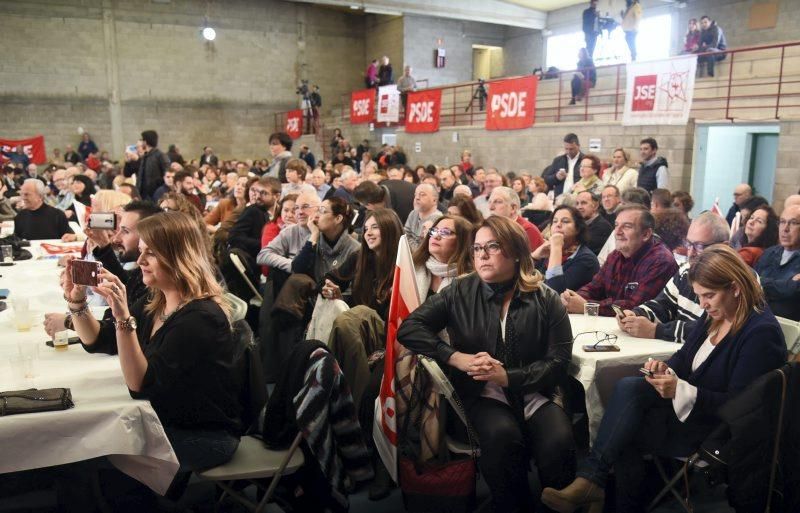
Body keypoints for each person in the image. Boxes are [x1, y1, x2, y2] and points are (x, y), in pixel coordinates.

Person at [542, 245, 787, 513]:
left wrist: (681, 391)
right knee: (628, 393)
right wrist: (664, 368)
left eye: (709, 296)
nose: (702, 304)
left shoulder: (761, 333)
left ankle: (596, 486)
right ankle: (596, 485)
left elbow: (740, 408)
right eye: (699, 296)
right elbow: (683, 358)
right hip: (692, 412)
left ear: (736, 288)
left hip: (715, 430)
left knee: (624, 426)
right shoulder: (716, 314)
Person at [398, 216, 576, 513]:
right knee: (501, 436)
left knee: (559, 441)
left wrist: (509, 376)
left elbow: (559, 362)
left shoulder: (547, 299)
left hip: (537, 391)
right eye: (477, 247)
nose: (481, 254)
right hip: (483, 393)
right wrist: (455, 357)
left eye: (493, 246)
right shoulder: (459, 291)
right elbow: (409, 328)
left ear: (517, 251)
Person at [65, 211, 245, 475]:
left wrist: (122, 317)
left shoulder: (201, 318)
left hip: (203, 436)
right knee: (84, 442)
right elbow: (98, 340)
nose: (140, 261)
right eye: (141, 251)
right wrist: (76, 302)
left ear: (178, 256)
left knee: (88, 454)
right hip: (161, 420)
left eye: (150, 253)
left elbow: (140, 384)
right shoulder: (158, 302)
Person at [621, 212, 730, 343]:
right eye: (688, 244)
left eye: (699, 246)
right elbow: (663, 304)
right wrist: (636, 315)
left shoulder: (737, 280)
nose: (691, 252)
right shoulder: (686, 270)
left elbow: (714, 329)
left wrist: (656, 330)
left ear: (725, 246)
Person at [561, 205, 678, 316]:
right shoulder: (616, 255)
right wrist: (572, 298)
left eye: (627, 226)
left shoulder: (661, 261)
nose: (617, 232)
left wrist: (587, 307)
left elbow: (635, 306)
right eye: (616, 225)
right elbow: (594, 288)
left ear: (646, 234)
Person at [290, 196, 360, 283]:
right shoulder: (312, 239)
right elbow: (296, 269)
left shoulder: (354, 249)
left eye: (322, 211)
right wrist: (314, 235)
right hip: (312, 293)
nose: (316, 216)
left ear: (338, 218)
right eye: (317, 211)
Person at [532, 205, 599, 293]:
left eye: (565, 221)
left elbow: (553, 292)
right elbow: (521, 278)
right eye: (554, 221)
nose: (558, 225)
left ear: (578, 229)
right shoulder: (547, 251)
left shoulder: (586, 260)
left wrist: (556, 248)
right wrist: (534, 256)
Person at [754, 204, 800, 321]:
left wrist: (762, 283)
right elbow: (751, 282)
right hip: (758, 319)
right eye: (782, 222)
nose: (785, 229)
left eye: (793, 223)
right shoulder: (769, 253)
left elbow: (794, 292)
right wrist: (786, 285)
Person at [228, 176, 281, 259]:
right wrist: (263, 244)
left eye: (264, 193)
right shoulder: (252, 210)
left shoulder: (282, 213)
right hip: (255, 260)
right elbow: (234, 237)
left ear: (277, 196)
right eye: (258, 192)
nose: (258, 197)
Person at [488, 186, 544, 251]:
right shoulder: (489, 228)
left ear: (513, 208)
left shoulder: (526, 230)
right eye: (489, 202)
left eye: (498, 202)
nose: (491, 207)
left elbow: (531, 260)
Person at [543, 133, 584, 198]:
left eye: (571, 149)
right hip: (560, 198)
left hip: (578, 197)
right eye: (566, 149)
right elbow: (546, 179)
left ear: (578, 146)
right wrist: (556, 177)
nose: (568, 152)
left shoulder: (585, 160)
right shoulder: (558, 160)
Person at [132, 130, 169, 201]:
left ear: (145, 142)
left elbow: (167, 174)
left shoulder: (160, 156)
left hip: (155, 196)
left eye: (142, 140)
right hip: (143, 196)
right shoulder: (145, 156)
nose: (141, 143)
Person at [404, 183, 442, 250]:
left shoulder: (438, 219)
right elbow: (405, 236)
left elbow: (428, 248)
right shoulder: (413, 213)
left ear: (434, 200)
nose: (417, 198)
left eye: (422, 195)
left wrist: (412, 249)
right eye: (415, 195)